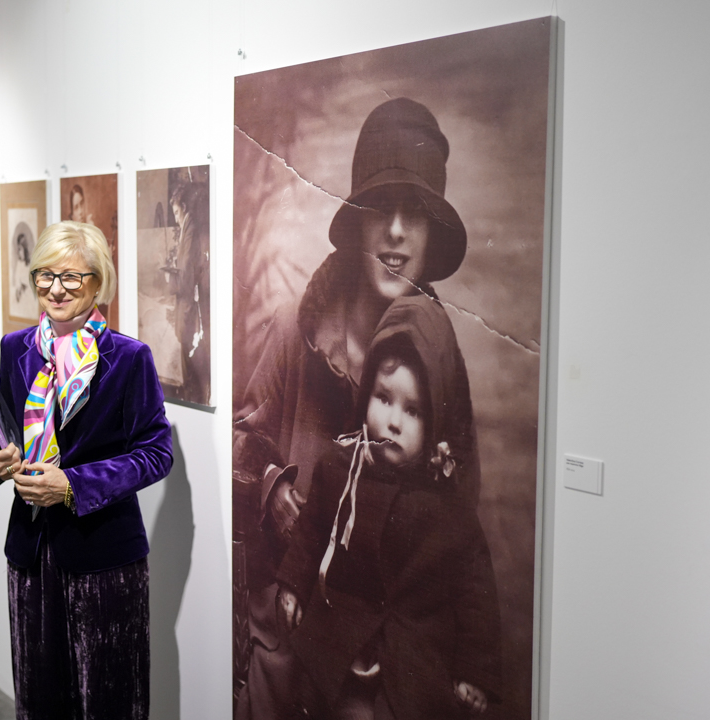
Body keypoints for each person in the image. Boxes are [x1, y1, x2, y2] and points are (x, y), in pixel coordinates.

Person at [233, 97, 480, 718]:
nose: (396, 231)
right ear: (358, 222)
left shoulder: (439, 358)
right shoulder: (299, 327)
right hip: (286, 641)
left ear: (431, 235)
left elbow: (459, 528)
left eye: (415, 213)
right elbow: (239, 446)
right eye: (380, 208)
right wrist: (274, 491)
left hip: (382, 677)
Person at [0, 220, 173, 720]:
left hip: (103, 557)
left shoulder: (128, 358)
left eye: (72, 277)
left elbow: (156, 453)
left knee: (108, 700)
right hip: (30, 553)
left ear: (97, 281)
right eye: (45, 275)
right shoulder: (15, 349)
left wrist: (72, 484)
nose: (56, 289)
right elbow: (12, 442)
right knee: (39, 701)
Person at [276, 294, 501, 719]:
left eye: (413, 411)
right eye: (383, 398)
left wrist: (475, 671)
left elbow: (476, 595)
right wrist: (292, 584)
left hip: (411, 654)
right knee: (317, 698)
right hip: (339, 637)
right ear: (366, 399)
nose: (393, 422)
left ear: (434, 421)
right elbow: (310, 534)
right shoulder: (339, 468)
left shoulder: (448, 507)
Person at [168, 181, 211, 404]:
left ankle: (190, 394)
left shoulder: (190, 227)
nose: (175, 218)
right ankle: (189, 392)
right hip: (185, 298)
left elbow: (186, 273)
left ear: (183, 207)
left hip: (187, 299)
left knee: (185, 340)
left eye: (176, 211)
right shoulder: (186, 227)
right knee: (182, 339)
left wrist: (172, 278)